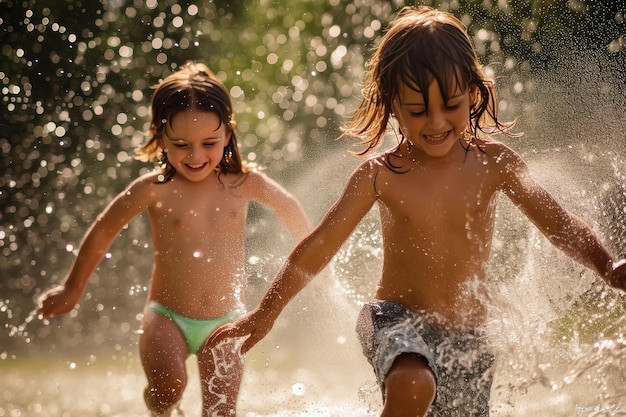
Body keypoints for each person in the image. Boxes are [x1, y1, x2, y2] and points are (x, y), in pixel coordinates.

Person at [207, 6, 626, 417]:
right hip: (393, 319)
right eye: (418, 110)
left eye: (450, 104)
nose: (436, 121)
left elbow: (558, 225)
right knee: (412, 384)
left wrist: (606, 266)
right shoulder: (380, 175)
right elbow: (318, 247)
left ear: (474, 93)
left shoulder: (495, 164)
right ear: (391, 105)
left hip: (469, 338)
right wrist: (266, 312)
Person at [38, 62, 312, 417]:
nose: (195, 156)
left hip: (227, 321)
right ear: (159, 136)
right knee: (168, 386)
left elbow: (289, 208)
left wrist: (317, 266)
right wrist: (72, 288)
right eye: (181, 145)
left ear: (228, 134)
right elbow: (104, 229)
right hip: (166, 317)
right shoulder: (154, 189)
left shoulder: (243, 183)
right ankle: (159, 408)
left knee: (220, 412)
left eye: (208, 143)